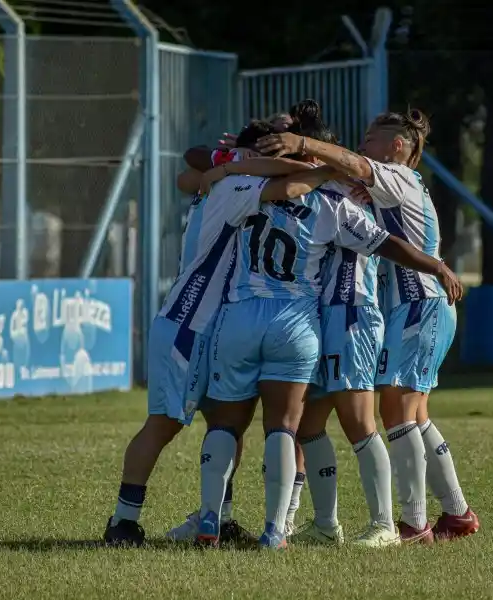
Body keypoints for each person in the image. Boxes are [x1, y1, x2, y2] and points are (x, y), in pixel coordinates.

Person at [195, 102, 463, 550]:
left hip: (354, 312)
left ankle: (394, 524)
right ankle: (321, 522)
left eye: (368, 141)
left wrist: (233, 164)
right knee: (307, 426)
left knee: (368, 420)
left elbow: (385, 237)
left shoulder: (359, 185)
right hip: (316, 317)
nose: (359, 150)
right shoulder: (329, 189)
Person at [102, 120, 342, 547]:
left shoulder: (230, 183)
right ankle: (123, 522)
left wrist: (223, 165)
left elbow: (189, 174)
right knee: (164, 424)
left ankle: (218, 516)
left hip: (219, 322)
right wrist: (328, 169)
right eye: (273, 154)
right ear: (251, 158)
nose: (282, 162)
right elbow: (283, 186)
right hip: (188, 322)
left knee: (227, 423)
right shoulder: (236, 186)